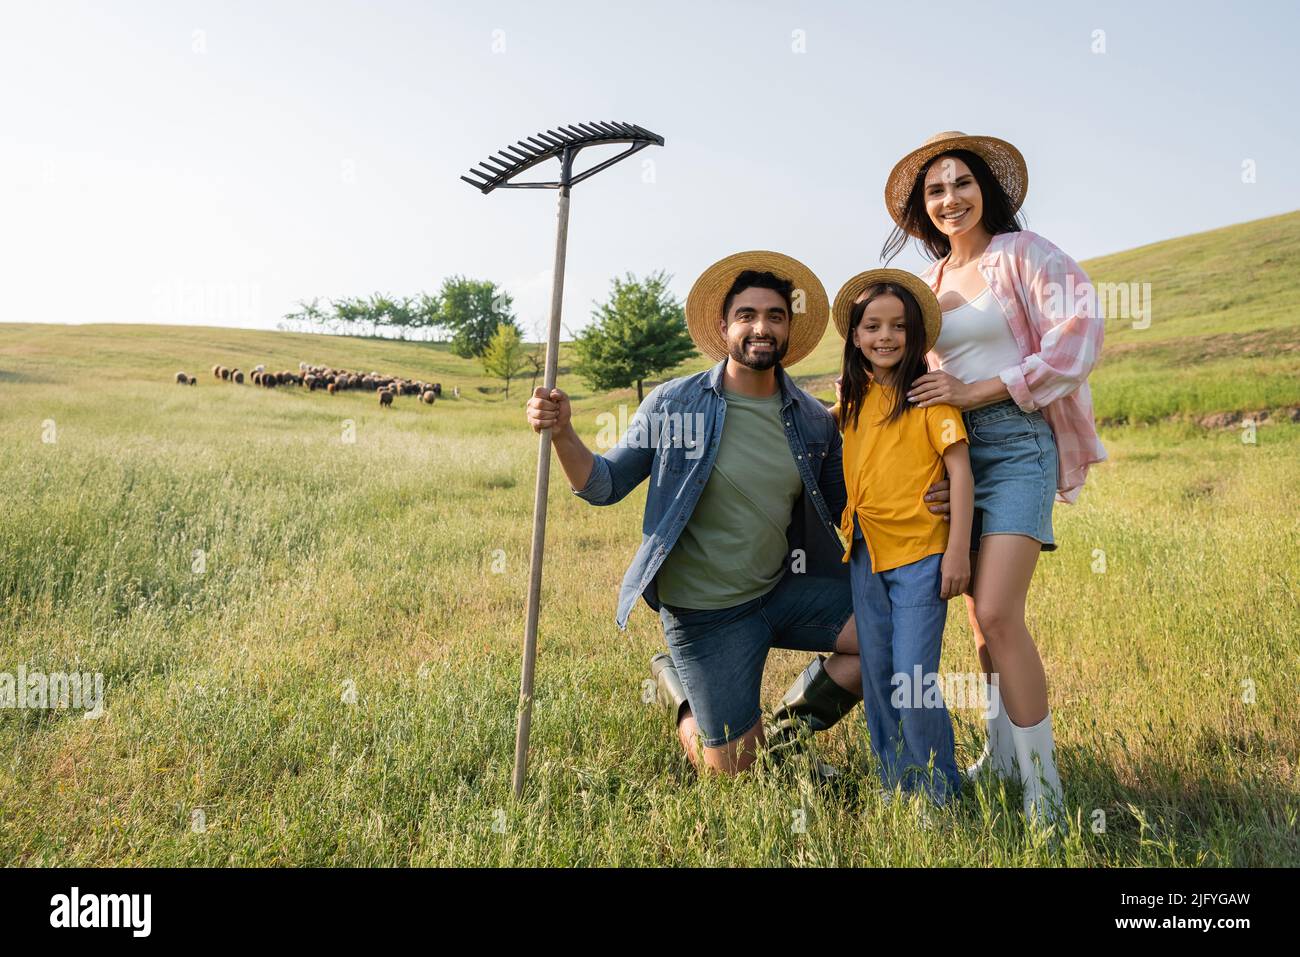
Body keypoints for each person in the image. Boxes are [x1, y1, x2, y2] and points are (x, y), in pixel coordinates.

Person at [525, 252, 861, 775]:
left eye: (774, 316)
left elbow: (849, 509)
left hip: (781, 590)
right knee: (733, 776)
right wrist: (565, 432)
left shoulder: (814, 421)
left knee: (888, 635)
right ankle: (680, 691)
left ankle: (786, 734)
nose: (761, 327)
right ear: (724, 326)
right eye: (747, 315)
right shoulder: (673, 404)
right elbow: (604, 485)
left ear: (789, 329)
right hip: (705, 614)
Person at [882, 131, 1107, 826]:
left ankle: (1046, 789)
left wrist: (980, 391)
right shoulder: (931, 286)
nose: (950, 199)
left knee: (1002, 611)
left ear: (988, 189)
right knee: (980, 622)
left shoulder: (1025, 255)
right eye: (936, 190)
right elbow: (912, 376)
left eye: (961, 183)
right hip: (955, 457)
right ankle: (1002, 754)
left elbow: (1080, 333)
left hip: (1016, 447)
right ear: (923, 209)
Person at [832, 268, 973, 805]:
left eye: (898, 327)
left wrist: (957, 550)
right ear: (855, 336)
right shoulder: (851, 401)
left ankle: (940, 791)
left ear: (916, 337)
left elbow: (960, 471)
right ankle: (896, 786)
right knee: (879, 676)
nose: (885, 337)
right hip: (865, 553)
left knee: (914, 678)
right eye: (872, 326)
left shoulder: (930, 399)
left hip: (922, 556)